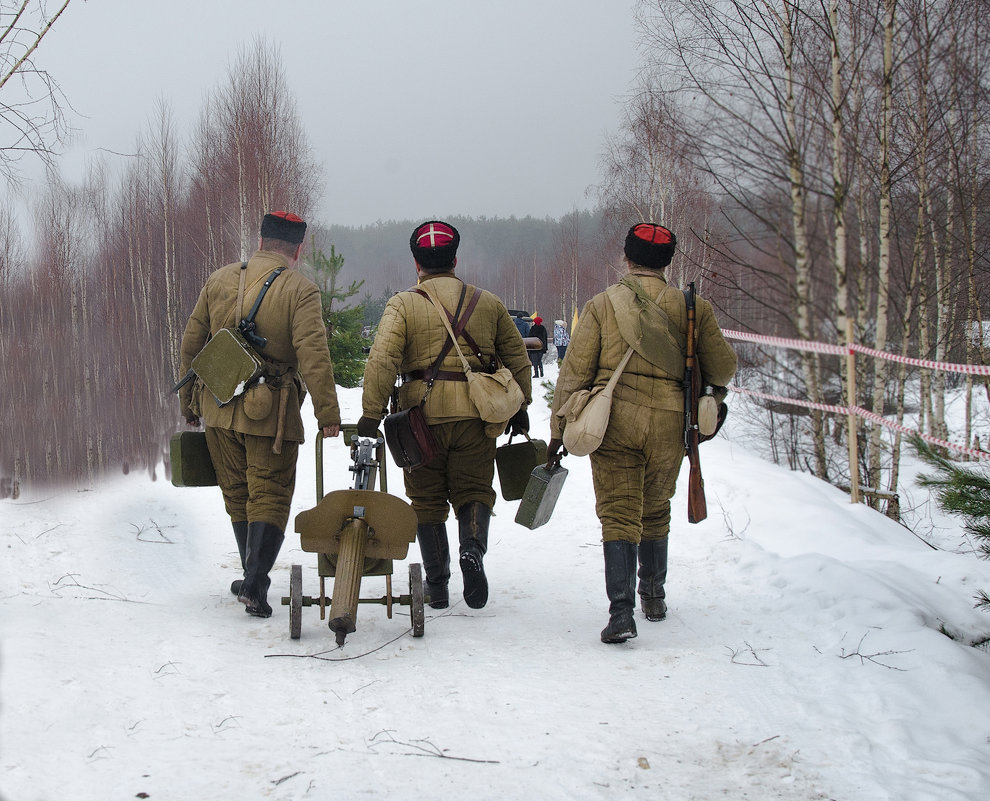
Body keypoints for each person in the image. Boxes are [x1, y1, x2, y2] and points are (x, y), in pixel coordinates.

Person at [549, 223, 736, 644]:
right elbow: (723, 368)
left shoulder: (601, 305)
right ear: (667, 263)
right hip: (670, 423)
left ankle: (621, 614)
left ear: (627, 258)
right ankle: (653, 596)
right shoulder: (693, 308)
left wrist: (558, 432)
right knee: (655, 507)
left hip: (614, 422)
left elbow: (573, 374)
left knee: (618, 512)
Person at [357, 221, 532, 610]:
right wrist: (521, 409)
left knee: (426, 501)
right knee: (474, 490)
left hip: (419, 420)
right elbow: (517, 358)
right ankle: (472, 548)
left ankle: (437, 586)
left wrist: (371, 413)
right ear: (454, 260)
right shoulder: (488, 303)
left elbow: (382, 359)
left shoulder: (402, 304)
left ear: (416, 264)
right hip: (477, 416)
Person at [178, 212, 341, 618]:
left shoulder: (219, 279)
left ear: (262, 240)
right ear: (298, 249)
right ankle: (254, 581)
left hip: (217, 407)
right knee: (269, 494)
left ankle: (255, 580)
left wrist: (189, 406)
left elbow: (191, 343)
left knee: (237, 496)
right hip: (271, 414)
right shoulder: (300, 289)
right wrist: (327, 413)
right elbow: (313, 356)